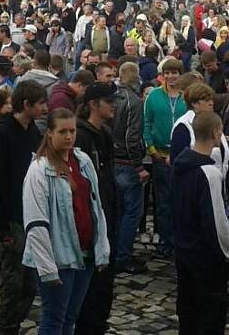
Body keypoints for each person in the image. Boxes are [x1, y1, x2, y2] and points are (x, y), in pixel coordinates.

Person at [22, 108, 110, 335]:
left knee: (70, 318)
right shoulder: (39, 170)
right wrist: (47, 267)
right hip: (57, 257)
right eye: (63, 132)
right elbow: (35, 221)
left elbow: (96, 206)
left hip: (85, 252)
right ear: (50, 133)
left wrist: (102, 247)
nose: (69, 136)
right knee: (54, 319)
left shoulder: (83, 160)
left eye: (72, 131)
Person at [0, 81, 47, 335]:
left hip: (30, 215)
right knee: (12, 282)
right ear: (26, 105)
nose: (45, 107)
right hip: (11, 218)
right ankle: (3, 327)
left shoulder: (32, 131)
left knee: (29, 284)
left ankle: (10, 323)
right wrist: (0, 225)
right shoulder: (2, 132)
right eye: (40, 103)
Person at [170, 111, 229, 334]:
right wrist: (228, 252)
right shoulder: (209, 173)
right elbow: (216, 220)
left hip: (184, 248)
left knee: (188, 312)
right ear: (216, 133)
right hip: (206, 255)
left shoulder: (180, 164)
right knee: (210, 317)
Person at [75, 82, 119, 334]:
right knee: (91, 289)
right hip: (91, 223)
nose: (113, 105)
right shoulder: (81, 136)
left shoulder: (104, 133)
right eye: (108, 101)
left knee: (104, 287)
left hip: (108, 218)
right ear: (93, 104)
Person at [142, 57, 187, 257]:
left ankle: (180, 240)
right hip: (160, 155)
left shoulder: (186, 97)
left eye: (174, 72)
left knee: (182, 200)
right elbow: (146, 123)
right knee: (163, 202)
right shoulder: (154, 96)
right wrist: (151, 149)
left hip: (183, 156)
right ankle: (165, 240)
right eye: (167, 72)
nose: (171, 76)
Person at [111, 62, 147, 274]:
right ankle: (123, 256)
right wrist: (139, 165)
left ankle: (118, 251)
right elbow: (131, 137)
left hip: (113, 159)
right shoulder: (133, 101)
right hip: (126, 162)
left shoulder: (113, 98)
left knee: (119, 211)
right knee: (132, 211)